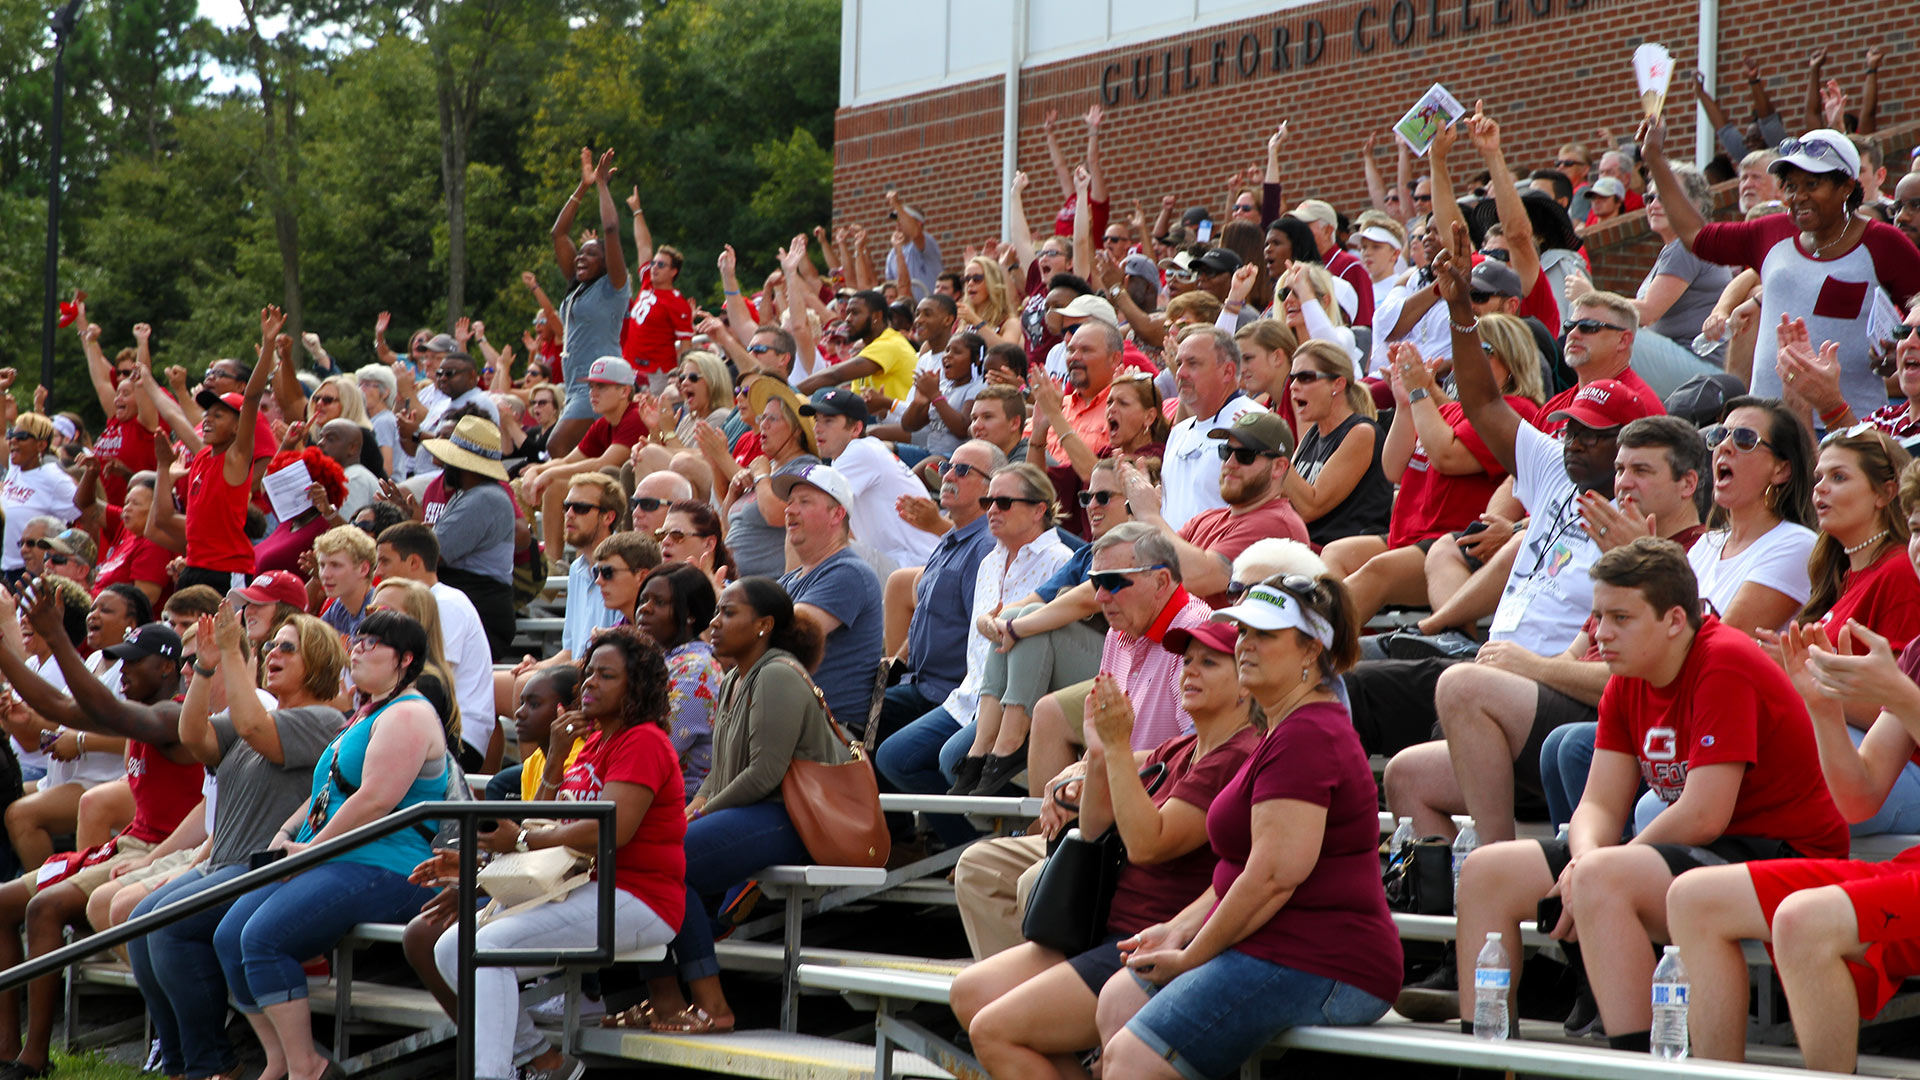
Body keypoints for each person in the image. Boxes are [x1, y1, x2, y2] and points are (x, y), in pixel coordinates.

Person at [1455, 538, 1848, 1051]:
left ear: (1674, 620)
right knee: (1487, 874)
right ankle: (1482, 1063)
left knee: (1603, 878)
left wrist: (1596, 868)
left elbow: (1705, 813)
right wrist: (1585, 859)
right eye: (1597, 616)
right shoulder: (1629, 675)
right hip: (1708, 851)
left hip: (1784, 854)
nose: (1602, 633)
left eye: (1620, 617)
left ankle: (1640, 1059)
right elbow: (1598, 804)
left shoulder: (1723, 661)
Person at [1094, 574, 1400, 1080]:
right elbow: (1242, 872)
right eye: (1242, 632)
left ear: (1310, 652)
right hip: (1277, 946)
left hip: (1326, 960)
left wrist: (1192, 955)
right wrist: (1177, 928)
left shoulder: (1307, 734)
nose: (1246, 645)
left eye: (1265, 634)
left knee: (1133, 1058)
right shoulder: (1281, 728)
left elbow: (1272, 878)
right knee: (1119, 999)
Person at [950, 621, 1261, 1076]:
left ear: (1244, 689)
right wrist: (1097, 753)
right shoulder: (1182, 747)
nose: (1190, 671)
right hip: (1105, 928)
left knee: (994, 1029)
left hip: (1150, 939)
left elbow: (1150, 845)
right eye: (1187, 661)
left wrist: (1116, 749)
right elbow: (1094, 829)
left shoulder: (1237, 755)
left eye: (1209, 663)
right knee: (969, 993)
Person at [420, 625, 684, 1080]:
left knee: (487, 948)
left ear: (635, 686)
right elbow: (543, 820)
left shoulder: (643, 740)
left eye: (607, 676)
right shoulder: (594, 741)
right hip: (579, 886)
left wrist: (520, 841)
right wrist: (557, 756)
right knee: (450, 950)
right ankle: (541, 1059)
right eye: (589, 674)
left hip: (637, 895)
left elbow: (612, 831)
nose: (591, 684)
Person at [212, 610, 448, 1080]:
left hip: (388, 864)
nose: (357, 648)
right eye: (357, 639)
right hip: (337, 858)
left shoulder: (409, 713)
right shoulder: (366, 713)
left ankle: (309, 1068)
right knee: (227, 937)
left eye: (372, 643)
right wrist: (285, 834)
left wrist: (313, 848)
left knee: (262, 939)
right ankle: (278, 1060)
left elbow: (375, 799)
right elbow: (325, 790)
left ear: (404, 660)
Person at [129, 606, 347, 1080]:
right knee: (138, 921)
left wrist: (231, 650)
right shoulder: (260, 719)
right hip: (222, 861)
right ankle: (180, 1062)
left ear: (320, 660)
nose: (274, 654)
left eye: (288, 648)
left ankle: (212, 1066)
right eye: (272, 647)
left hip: (259, 865)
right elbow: (193, 736)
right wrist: (205, 668)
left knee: (169, 926)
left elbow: (253, 728)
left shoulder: (325, 721)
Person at [0, 608, 202, 1080]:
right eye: (119, 662)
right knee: (3, 903)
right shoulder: (137, 715)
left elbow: (95, 710)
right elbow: (61, 708)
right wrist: (7, 656)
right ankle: (6, 1049)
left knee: (44, 910)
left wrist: (56, 638)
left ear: (168, 667)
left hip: (166, 852)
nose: (123, 672)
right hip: (126, 846)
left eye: (134, 662)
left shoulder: (174, 715)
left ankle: (32, 1059)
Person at [636, 578, 845, 1035]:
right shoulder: (734, 676)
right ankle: (665, 1001)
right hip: (751, 811)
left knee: (666, 863)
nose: (715, 622)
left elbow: (765, 775)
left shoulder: (777, 673)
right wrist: (692, 807)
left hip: (789, 818)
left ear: (763, 625)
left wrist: (703, 813)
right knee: (643, 860)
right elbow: (721, 768)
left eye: (729, 613)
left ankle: (712, 1005)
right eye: (716, 612)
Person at [1641, 118, 1920, 417]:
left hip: (1850, 427)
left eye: (1812, 184)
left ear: (1846, 186)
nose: (1798, 196)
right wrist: (1655, 159)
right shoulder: (1770, 232)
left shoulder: (1884, 243)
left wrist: (1897, 349)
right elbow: (1696, 236)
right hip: (1771, 426)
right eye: (1790, 186)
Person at [1327, 321, 1546, 620]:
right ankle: (1348, 644)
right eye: (1462, 350)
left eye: (1481, 350)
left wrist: (1420, 392)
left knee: (1376, 572)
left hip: (1450, 545)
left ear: (1511, 360)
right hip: (1409, 538)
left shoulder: (1516, 411)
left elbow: (1446, 456)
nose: (1465, 359)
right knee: (1336, 554)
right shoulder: (1450, 409)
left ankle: (1310, 650)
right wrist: (1405, 402)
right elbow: (1392, 469)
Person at [1024, 524, 1213, 796]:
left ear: (1160, 582)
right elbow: (1105, 734)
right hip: (1118, 805)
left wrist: (1091, 768)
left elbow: (1197, 750)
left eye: (1112, 582)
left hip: (1161, 814)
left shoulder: (1194, 633)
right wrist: (1081, 770)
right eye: (1096, 582)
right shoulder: (1118, 633)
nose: (1100, 596)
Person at [938, 463, 1077, 796]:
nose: (992, 511)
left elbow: (1045, 644)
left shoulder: (1061, 559)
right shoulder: (988, 561)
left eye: (1003, 502)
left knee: (949, 757)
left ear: (1038, 510)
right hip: (971, 694)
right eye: (988, 503)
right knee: (895, 757)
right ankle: (973, 836)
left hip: (1022, 700)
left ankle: (997, 831)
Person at [770, 464, 885, 731]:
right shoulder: (790, 580)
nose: (790, 509)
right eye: (790, 502)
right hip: (793, 723)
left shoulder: (849, 573)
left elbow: (787, 635)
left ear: (837, 515)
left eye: (804, 502)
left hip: (828, 732)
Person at [375, 523, 498, 770]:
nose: (378, 571)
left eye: (385, 561)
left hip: (458, 737)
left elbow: (432, 680)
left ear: (414, 563)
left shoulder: (447, 603)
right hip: (426, 725)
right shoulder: (439, 600)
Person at [175, 307, 278, 593]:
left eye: (219, 415)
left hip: (227, 572)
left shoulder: (237, 456)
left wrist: (268, 344)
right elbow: (177, 419)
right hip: (195, 566)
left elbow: (254, 396)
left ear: (238, 427)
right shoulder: (203, 456)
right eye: (207, 412)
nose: (207, 418)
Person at [549, 147, 630, 459]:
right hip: (574, 385)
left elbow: (610, 229)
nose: (581, 257)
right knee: (590, 455)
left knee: (557, 446)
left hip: (599, 383)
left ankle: (569, 505)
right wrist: (582, 185)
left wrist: (601, 185)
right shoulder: (576, 286)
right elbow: (559, 233)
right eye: (579, 253)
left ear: (606, 262)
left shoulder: (613, 286)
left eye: (591, 253)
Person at [799, 388, 938, 570]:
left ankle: (791, 595)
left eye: (829, 421)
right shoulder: (863, 450)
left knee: (803, 521)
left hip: (912, 564)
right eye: (817, 420)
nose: (817, 428)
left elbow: (811, 506)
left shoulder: (858, 452)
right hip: (908, 561)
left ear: (856, 428)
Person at [1278, 340, 1393, 547]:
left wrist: (1275, 448)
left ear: (1337, 385)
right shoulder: (1313, 432)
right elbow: (1285, 495)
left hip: (1339, 551)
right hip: (1303, 545)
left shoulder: (1361, 433)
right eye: (1292, 378)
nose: (1293, 386)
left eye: (1305, 377)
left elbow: (1311, 507)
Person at [422, 416, 518, 659]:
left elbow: (433, 554)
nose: (444, 467)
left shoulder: (482, 499)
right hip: (477, 605)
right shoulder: (470, 495)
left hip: (480, 610)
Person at [515, 472, 624, 683]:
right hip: (576, 673)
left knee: (517, 684)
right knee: (507, 679)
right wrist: (537, 666)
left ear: (608, 517)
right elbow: (570, 651)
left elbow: (608, 657)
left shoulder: (621, 569)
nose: (569, 514)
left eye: (581, 508)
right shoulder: (576, 569)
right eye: (567, 506)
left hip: (600, 678)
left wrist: (540, 673)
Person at [1161, 326, 1268, 531]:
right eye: (1179, 364)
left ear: (1227, 371)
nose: (1180, 373)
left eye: (1193, 364)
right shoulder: (1178, 432)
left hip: (1221, 556)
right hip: (1169, 557)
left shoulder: (1254, 421)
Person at [636, 562, 722, 795]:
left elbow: (658, 750)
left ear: (690, 615)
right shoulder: (657, 659)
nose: (645, 608)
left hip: (685, 801)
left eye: (660, 602)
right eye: (643, 600)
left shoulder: (696, 672)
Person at [723, 378, 820, 579]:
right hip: (734, 581)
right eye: (762, 418)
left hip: (765, 587)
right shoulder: (768, 469)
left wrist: (761, 476)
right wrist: (734, 490)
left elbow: (776, 515)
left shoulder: (805, 468)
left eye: (772, 419)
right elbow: (728, 525)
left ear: (796, 429)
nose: (763, 426)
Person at [798, 290, 916, 412]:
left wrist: (790, 392)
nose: (848, 319)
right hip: (881, 421)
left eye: (855, 313)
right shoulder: (871, 348)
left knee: (824, 396)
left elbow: (835, 375)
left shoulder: (890, 344)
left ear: (876, 316)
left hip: (903, 423)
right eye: (848, 313)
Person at [1, 415, 77, 591]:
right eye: (12, 435)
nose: (13, 441)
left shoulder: (55, 478)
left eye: (21, 437)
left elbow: (84, 515)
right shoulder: (15, 469)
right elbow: (0, 434)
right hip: (7, 568)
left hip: (33, 571)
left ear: (41, 445)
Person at [252, 447, 349, 576]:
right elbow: (266, 485)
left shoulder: (324, 527)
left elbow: (352, 543)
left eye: (291, 485)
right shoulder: (288, 518)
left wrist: (327, 510)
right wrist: (287, 443)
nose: (283, 492)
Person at [655, 500, 736, 596]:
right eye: (661, 534)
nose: (665, 541)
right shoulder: (653, 590)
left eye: (677, 535)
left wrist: (717, 599)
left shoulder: (734, 595)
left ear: (709, 544)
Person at [313, 522, 377, 639]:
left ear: (363, 569)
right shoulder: (340, 606)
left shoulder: (376, 613)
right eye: (322, 565)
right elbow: (311, 641)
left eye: (336, 565)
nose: (325, 574)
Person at [590, 532, 663, 627]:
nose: (598, 581)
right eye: (596, 572)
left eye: (607, 572)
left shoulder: (667, 632)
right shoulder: (614, 634)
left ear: (642, 577)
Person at [356, 363, 401, 476]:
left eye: (366, 385)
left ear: (385, 392)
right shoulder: (376, 419)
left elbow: (386, 468)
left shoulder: (383, 421)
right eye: (359, 384)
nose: (360, 390)